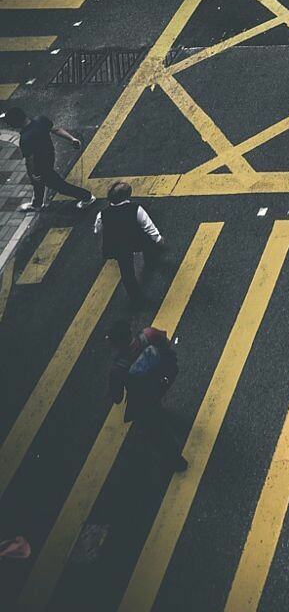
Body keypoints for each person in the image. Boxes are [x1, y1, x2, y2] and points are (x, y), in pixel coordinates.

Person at [107, 316, 187, 469]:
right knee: (154, 403)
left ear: (116, 344)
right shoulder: (149, 335)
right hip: (165, 377)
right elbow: (165, 341)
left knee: (155, 431)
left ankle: (175, 461)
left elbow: (117, 398)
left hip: (145, 396)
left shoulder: (118, 369)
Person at [3, 105, 93, 213]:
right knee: (39, 183)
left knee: (59, 186)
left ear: (15, 123)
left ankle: (87, 197)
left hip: (40, 165)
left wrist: (32, 174)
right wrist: (71, 138)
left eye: (10, 123)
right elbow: (56, 129)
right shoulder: (40, 120)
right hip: (50, 155)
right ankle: (37, 204)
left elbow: (30, 160)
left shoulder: (25, 138)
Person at [94, 181, 163, 300]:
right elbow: (148, 226)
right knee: (147, 244)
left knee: (127, 273)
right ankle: (151, 260)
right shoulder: (135, 209)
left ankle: (135, 298)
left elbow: (97, 229)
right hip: (135, 239)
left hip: (118, 246)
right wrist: (158, 239)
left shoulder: (103, 214)